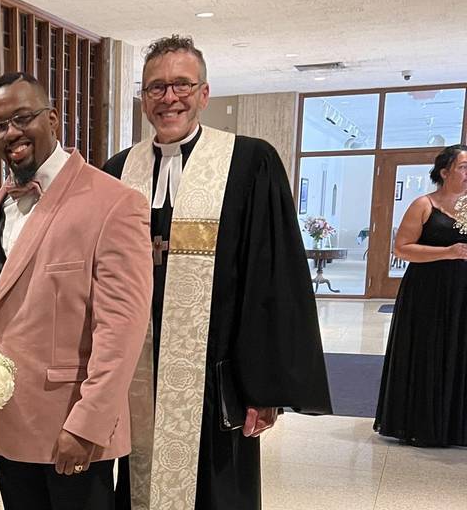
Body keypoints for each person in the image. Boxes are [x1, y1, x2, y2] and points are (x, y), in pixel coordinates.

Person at [103, 35, 331, 510]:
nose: (170, 98)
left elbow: (273, 278)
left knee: (219, 489)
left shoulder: (250, 162)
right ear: (143, 98)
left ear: (204, 93)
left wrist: (263, 387)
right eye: (156, 88)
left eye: (182, 85)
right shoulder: (119, 170)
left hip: (217, 372)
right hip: (137, 372)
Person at [0, 72, 153, 510]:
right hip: (8, 423)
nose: (11, 134)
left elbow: (122, 331)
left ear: (52, 118)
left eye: (22, 118)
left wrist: (88, 425)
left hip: (72, 427)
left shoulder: (115, 202)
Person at [374, 144, 467, 447]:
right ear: (445, 171)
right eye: (464, 167)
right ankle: (421, 423)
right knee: (429, 351)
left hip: (462, 292)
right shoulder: (424, 204)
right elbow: (401, 248)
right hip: (428, 291)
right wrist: (448, 252)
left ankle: (457, 426)